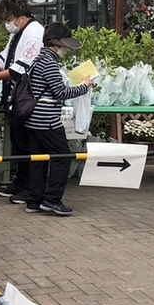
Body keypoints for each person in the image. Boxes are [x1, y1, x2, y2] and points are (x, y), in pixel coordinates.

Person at [22, 23, 94, 216]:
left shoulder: (37, 60)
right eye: (64, 45)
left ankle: (33, 200)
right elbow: (60, 92)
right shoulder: (50, 63)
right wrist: (84, 86)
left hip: (33, 118)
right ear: (56, 43)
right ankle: (52, 199)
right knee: (62, 157)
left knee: (38, 160)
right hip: (48, 119)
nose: (66, 50)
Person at [0, 0, 45, 203]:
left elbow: (22, 67)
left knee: (29, 145)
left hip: (29, 97)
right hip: (16, 97)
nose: (7, 23)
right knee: (18, 142)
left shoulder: (34, 33)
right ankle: (20, 182)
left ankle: (29, 188)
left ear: (18, 16)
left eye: (8, 19)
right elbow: (5, 58)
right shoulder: (18, 32)